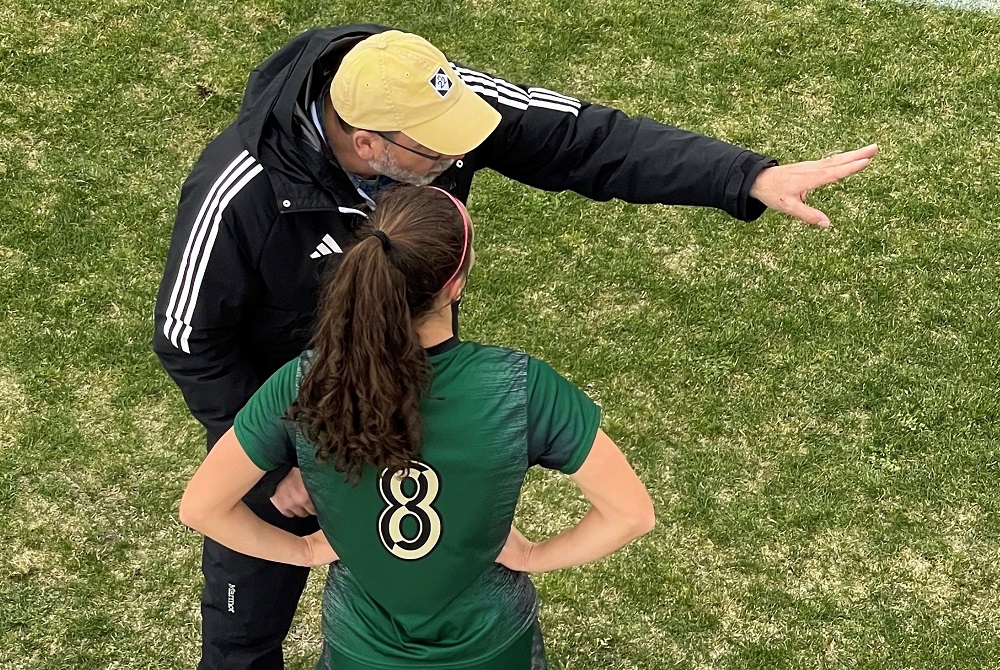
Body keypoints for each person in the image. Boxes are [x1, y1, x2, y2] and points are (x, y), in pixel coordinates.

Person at [154, 26, 876, 669]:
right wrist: (272, 464)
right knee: (242, 637)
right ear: (369, 144)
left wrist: (745, 176)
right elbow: (189, 338)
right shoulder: (237, 188)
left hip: (414, 399)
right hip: (293, 420)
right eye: (438, 150)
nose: (462, 151)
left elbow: (586, 139)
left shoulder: (432, 101)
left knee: (436, 579)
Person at [179, 185, 655, 670]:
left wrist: (302, 550)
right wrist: (533, 556)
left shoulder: (303, 382)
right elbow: (630, 514)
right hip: (490, 647)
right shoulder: (523, 388)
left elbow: (202, 508)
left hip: (359, 650)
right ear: (455, 284)